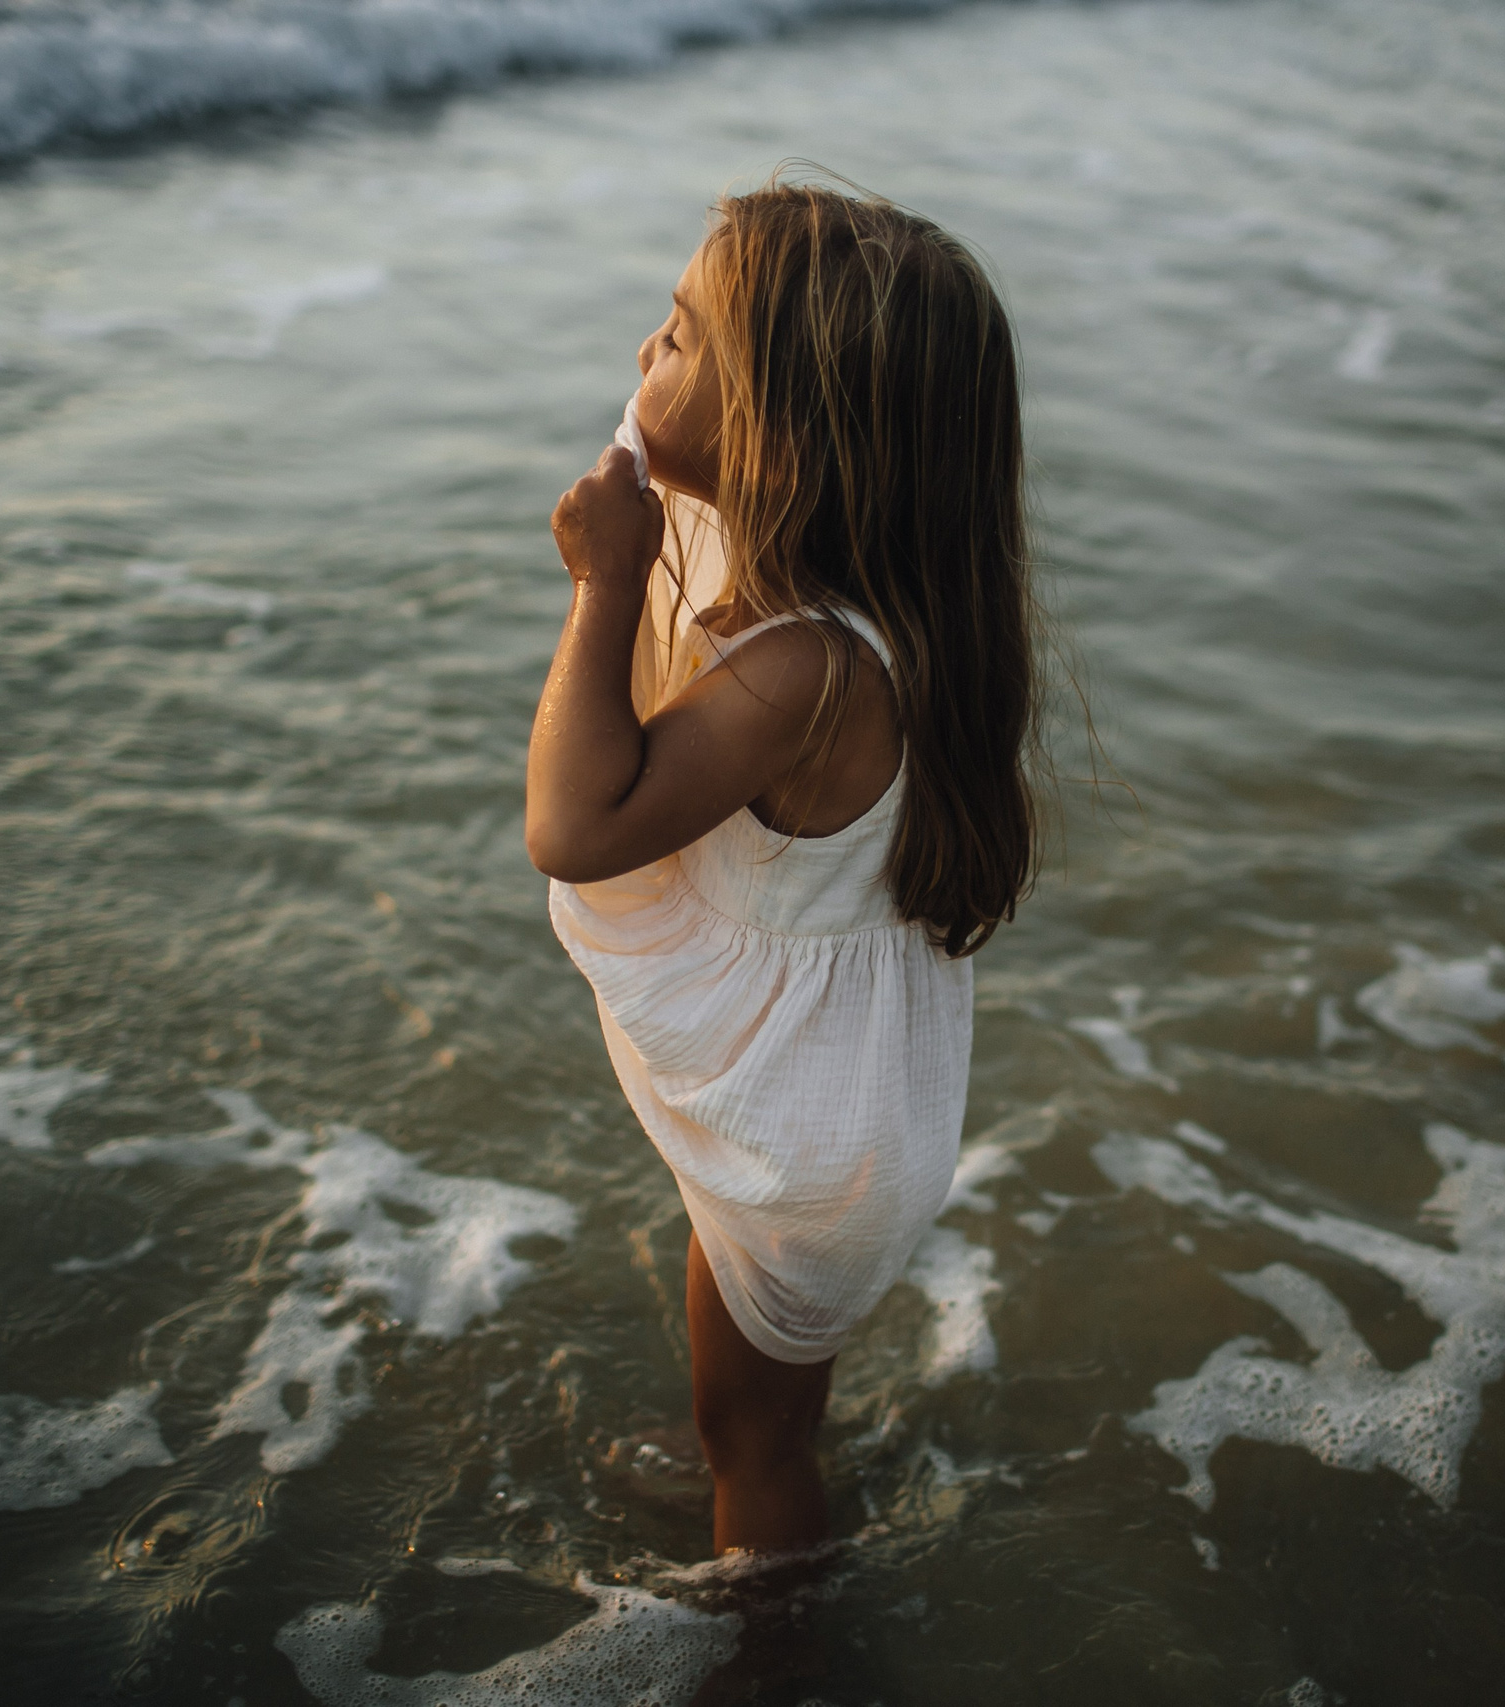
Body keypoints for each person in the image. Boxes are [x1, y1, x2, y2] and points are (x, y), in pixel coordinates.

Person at [526, 175, 1043, 1557]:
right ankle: (775, 1478)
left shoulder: (801, 670)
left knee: (747, 1440)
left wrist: (608, 586)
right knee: (763, 1396)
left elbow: (575, 827)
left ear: (789, 435)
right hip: (841, 1109)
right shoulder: (886, 614)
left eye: (685, 337)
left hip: (806, 1135)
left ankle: (776, 1629)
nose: (648, 352)